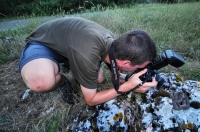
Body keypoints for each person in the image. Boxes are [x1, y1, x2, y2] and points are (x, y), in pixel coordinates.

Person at [19, 17, 158, 106]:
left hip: (71, 46)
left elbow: (115, 69)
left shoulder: (116, 45)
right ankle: (62, 81)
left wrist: (131, 79)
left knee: (99, 80)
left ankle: (70, 63)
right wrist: (128, 87)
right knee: (41, 82)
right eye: (140, 68)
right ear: (126, 63)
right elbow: (91, 100)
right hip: (44, 43)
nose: (139, 70)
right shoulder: (88, 53)